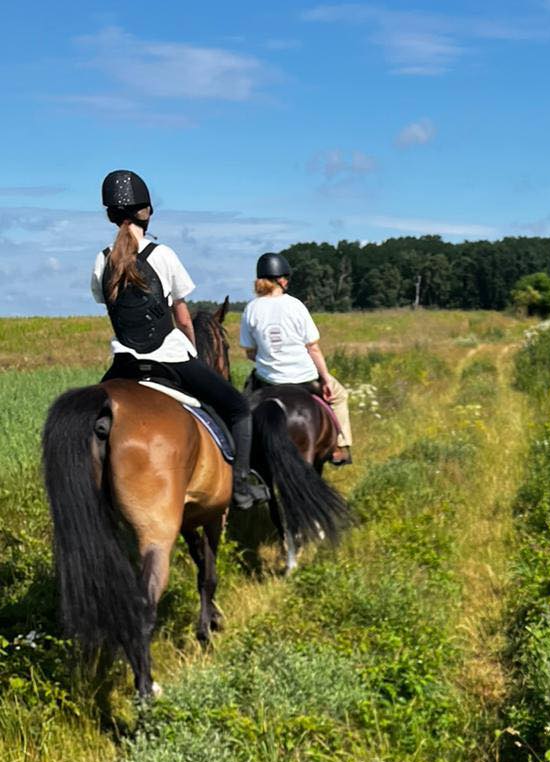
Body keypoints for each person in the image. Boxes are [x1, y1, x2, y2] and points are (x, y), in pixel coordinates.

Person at [91, 170, 268, 510]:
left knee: (85, 418)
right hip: (169, 357)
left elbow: (108, 305)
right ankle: (242, 487)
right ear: (148, 212)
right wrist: (192, 348)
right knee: (238, 407)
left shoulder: (101, 260)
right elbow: (183, 317)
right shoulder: (163, 255)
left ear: (110, 215)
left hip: (124, 363)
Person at [239, 254, 353, 465]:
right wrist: (326, 378)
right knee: (340, 396)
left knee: (242, 408)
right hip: (304, 377)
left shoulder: (251, 309)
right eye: (286, 278)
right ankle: (340, 446)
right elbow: (313, 348)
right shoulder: (295, 305)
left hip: (268, 379)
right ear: (281, 280)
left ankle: (239, 453)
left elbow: (250, 352)